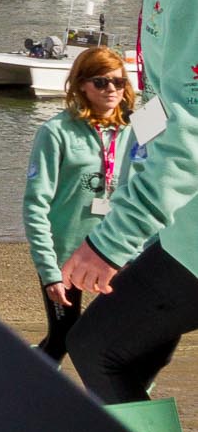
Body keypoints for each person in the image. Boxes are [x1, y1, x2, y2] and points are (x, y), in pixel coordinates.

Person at [59, 0, 198, 401]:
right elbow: (167, 105)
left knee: (100, 349)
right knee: (117, 353)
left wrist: (112, 242)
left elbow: (190, 132)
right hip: (182, 225)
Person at [22, 46, 136, 361]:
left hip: (115, 252)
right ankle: (24, 395)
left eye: (118, 81)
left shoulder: (137, 128)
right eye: (101, 82)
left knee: (123, 343)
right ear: (82, 85)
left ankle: (121, 407)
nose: (112, 89)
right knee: (63, 341)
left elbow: (176, 115)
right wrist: (49, 272)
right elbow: (35, 205)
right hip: (65, 256)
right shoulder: (55, 131)